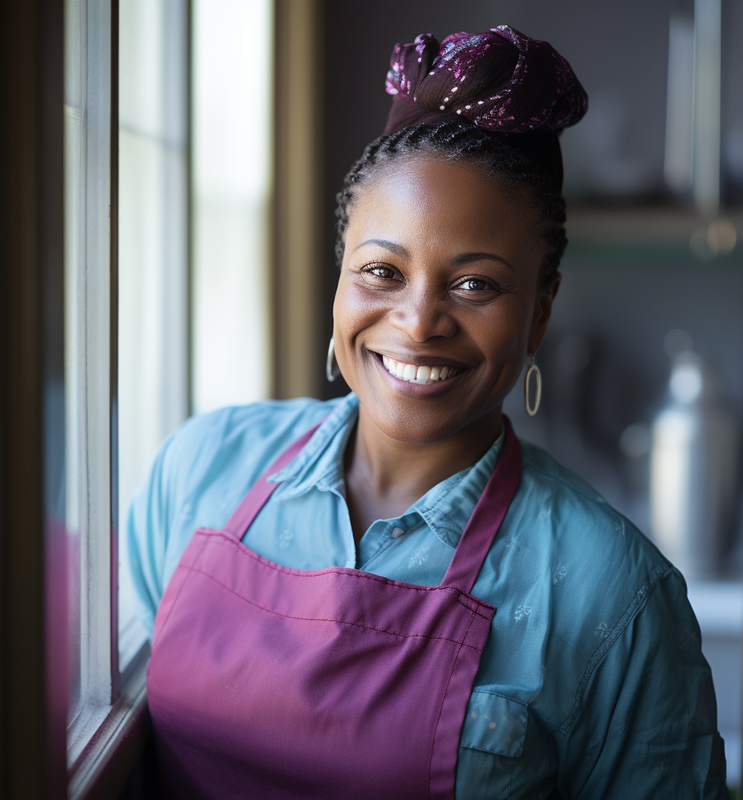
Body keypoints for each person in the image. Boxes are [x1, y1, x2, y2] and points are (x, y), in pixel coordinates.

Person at [128, 26, 729, 799]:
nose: (418, 323)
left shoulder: (616, 596)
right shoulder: (201, 468)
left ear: (539, 310)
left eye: (475, 285)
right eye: (382, 270)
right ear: (338, 276)